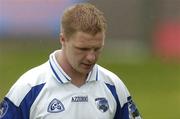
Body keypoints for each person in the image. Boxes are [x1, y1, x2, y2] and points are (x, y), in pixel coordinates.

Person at [0, 3, 142, 119]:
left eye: (97, 48)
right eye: (83, 49)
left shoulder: (113, 86)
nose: (91, 57)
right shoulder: (29, 88)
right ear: (63, 39)